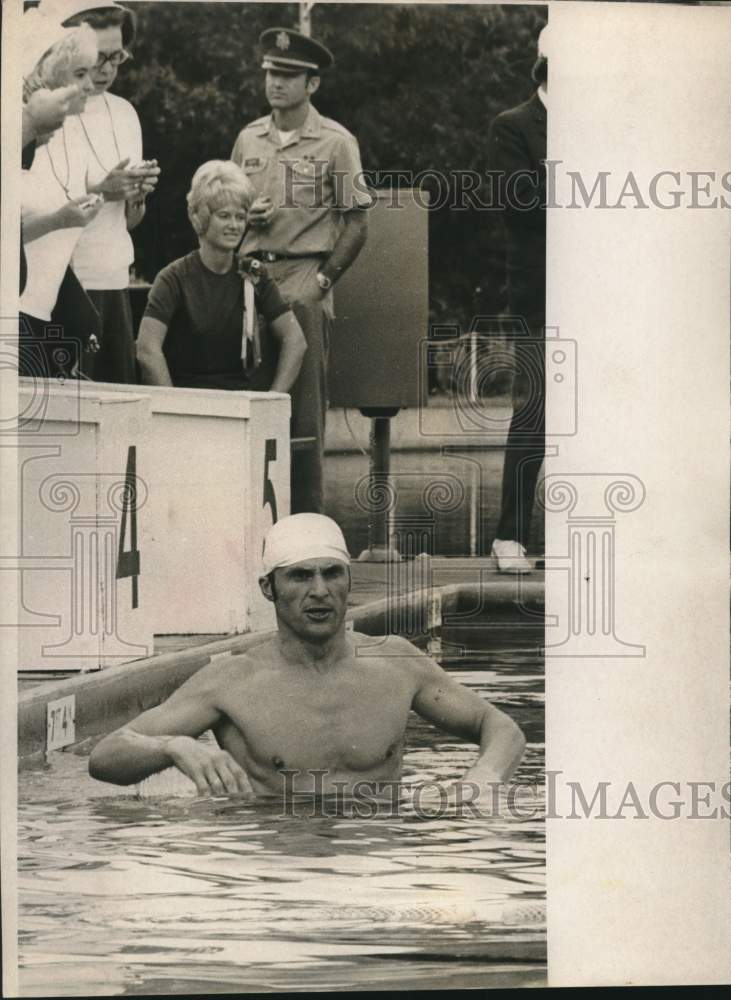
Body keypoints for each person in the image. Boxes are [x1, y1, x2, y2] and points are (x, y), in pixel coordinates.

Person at [89, 514, 526, 801]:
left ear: (348, 581)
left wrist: (481, 782)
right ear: (268, 588)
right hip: (278, 864)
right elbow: (105, 757)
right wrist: (174, 745)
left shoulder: (396, 662)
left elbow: (500, 727)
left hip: (383, 856)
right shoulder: (231, 680)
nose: (319, 591)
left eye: (332, 573)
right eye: (300, 576)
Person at [231, 27, 373, 514]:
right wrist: (244, 216)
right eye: (272, 72)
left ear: (312, 84)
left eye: (289, 75)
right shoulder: (248, 137)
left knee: (304, 419)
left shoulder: (336, 143)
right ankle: (249, 527)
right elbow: (226, 206)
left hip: (302, 281)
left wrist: (322, 283)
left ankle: (309, 532)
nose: (277, 83)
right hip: (249, 284)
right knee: (247, 405)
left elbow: (357, 224)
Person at [40, 0, 161, 385]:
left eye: (118, 57)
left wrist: (136, 194)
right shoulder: (50, 109)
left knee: (118, 403)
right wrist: (102, 190)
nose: (107, 69)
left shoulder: (125, 113)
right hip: (67, 281)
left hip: (115, 278)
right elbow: (39, 200)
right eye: (100, 58)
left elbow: (130, 221)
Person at [136, 160, 306, 392]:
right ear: (200, 218)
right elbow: (147, 348)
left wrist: (272, 401)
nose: (235, 225)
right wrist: (172, 404)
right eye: (224, 216)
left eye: (240, 216)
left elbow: (295, 341)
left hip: (239, 403)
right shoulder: (173, 277)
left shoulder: (254, 273)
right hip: (187, 402)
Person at [488, 25, 549, 574]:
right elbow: (522, 203)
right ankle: (510, 536)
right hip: (541, 292)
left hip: (598, 289)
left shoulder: (600, 128)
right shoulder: (512, 127)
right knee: (534, 407)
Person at [19, 16, 104, 379]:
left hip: (44, 315)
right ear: (49, 77)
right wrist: (60, 219)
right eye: (79, 74)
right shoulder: (18, 135)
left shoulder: (68, 135)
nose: (90, 85)